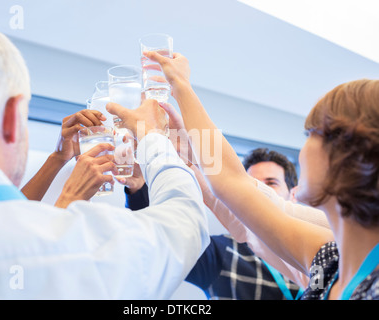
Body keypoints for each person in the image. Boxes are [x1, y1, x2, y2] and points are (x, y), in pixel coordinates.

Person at [0, 19, 209, 299]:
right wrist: (152, 136)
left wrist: (58, 158)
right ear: (11, 117)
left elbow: (4, 222)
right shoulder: (73, 245)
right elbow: (185, 224)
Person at [143, 49, 379, 300]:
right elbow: (240, 200)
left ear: (348, 153)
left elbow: (233, 184)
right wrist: (190, 154)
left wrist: (180, 85)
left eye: (310, 134)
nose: (301, 153)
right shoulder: (328, 261)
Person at [121, 147, 304, 299]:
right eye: (253, 184)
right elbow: (163, 241)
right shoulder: (222, 251)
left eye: (270, 183)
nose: (260, 192)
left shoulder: (312, 248)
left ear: (293, 195)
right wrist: (138, 187)